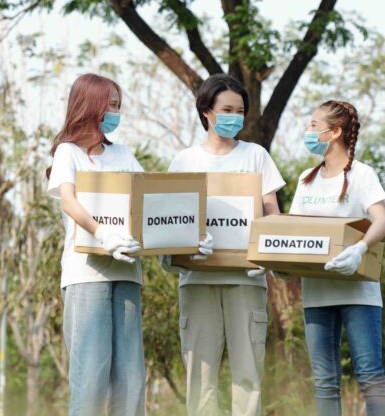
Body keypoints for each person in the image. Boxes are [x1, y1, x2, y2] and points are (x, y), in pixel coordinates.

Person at [162, 73, 285, 416]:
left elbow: (271, 210)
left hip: (246, 282)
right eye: (226, 109)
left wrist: (268, 252)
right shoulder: (184, 161)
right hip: (197, 282)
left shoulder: (256, 156)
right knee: (200, 382)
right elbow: (167, 222)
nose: (235, 116)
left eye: (240, 110)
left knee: (249, 379)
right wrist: (184, 249)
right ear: (206, 110)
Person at [47, 73, 154, 416]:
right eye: (111, 104)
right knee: (91, 377)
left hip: (126, 270)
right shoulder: (68, 153)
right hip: (86, 274)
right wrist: (102, 232)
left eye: (119, 106)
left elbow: (149, 199)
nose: (116, 112)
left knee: (131, 377)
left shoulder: (122, 153)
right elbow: (69, 201)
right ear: (90, 105)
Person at [290, 100, 385, 415]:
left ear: (336, 131)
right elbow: (291, 232)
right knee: (325, 382)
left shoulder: (362, 175)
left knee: (371, 377)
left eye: (314, 125)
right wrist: (276, 266)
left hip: (358, 292)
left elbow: (382, 219)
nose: (308, 131)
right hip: (316, 294)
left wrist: (359, 248)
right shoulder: (307, 179)